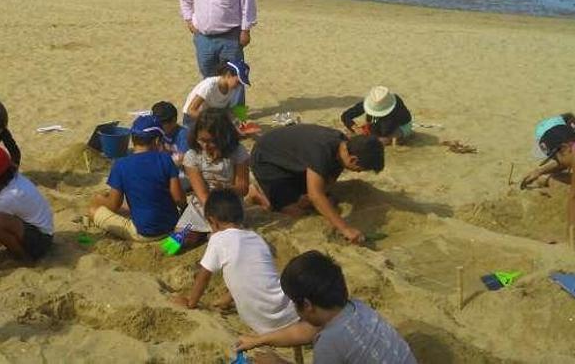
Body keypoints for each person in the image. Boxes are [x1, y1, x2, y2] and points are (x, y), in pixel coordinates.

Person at [237, 251, 417, 364]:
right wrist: (258, 340)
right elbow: (304, 331)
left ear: (306, 305)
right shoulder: (356, 308)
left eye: (293, 302)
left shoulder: (330, 342)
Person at [173, 190, 310, 338]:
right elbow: (253, 274)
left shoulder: (217, 239)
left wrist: (191, 302)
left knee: (173, 242)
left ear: (213, 221)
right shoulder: (256, 238)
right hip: (292, 312)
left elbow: (204, 276)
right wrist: (227, 298)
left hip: (264, 325)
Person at [246, 124, 385, 244]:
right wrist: (345, 228)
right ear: (353, 160)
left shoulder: (344, 146)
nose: (359, 173)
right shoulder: (321, 150)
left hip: (294, 162)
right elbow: (315, 195)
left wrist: (315, 198)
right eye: (360, 169)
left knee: (326, 202)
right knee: (295, 212)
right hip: (267, 160)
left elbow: (327, 182)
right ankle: (259, 195)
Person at [179, 0, 256, 105]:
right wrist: (188, 19)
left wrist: (246, 30)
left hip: (230, 37)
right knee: (209, 79)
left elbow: (248, 3)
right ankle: (216, 112)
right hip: (203, 39)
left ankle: (239, 117)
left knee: (236, 79)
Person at [88, 115, 186, 241]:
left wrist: (99, 199)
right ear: (156, 141)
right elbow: (179, 198)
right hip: (172, 227)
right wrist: (184, 211)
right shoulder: (166, 159)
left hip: (144, 233)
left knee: (94, 209)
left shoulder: (121, 164)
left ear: (133, 140)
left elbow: (114, 205)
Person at [175, 109, 250, 242]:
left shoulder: (238, 152)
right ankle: (202, 233)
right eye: (201, 140)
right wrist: (213, 221)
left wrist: (226, 189)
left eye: (210, 141)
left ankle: (209, 234)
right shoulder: (193, 156)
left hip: (228, 207)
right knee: (174, 243)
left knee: (223, 240)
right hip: (202, 207)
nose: (205, 146)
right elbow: (202, 195)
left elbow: (243, 188)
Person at [520, 118, 575, 245]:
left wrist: (571, 240)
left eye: (554, 157)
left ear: (565, 147)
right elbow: (567, 160)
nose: (556, 161)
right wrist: (539, 171)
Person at [182, 60, 250, 128]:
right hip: (194, 119)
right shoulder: (209, 85)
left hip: (213, 118)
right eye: (238, 82)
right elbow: (190, 111)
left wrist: (241, 123)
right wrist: (214, 121)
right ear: (228, 75)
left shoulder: (234, 88)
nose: (239, 86)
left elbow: (233, 109)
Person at [341, 86, 412, 145]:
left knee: (381, 141)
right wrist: (355, 128)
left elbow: (384, 132)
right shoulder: (372, 101)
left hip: (401, 126)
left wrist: (364, 133)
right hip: (379, 124)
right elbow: (345, 115)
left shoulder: (395, 108)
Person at [152, 101, 189, 165]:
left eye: (162, 122)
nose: (158, 125)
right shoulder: (159, 132)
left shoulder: (183, 135)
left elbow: (181, 160)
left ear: (173, 121)